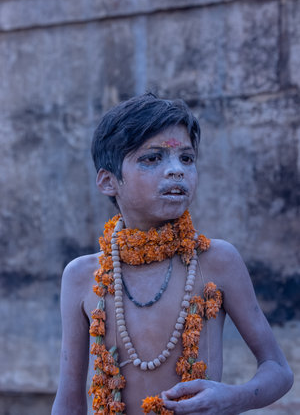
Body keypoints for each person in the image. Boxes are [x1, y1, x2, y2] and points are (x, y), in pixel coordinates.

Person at [52, 93, 293, 415]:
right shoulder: (83, 276)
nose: (176, 170)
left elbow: (278, 369)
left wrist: (233, 398)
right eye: (152, 158)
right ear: (109, 182)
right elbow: (68, 401)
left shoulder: (216, 260)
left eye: (187, 158)